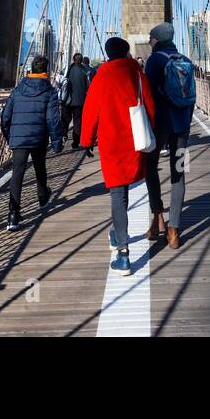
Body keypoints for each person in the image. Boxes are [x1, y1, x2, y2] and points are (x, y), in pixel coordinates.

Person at [81, 36, 155, 276]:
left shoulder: (101, 76)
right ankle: (117, 234)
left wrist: (86, 140)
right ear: (126, 52)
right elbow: (150, 107)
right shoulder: (137, 73)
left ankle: (123, 253)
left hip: (111, 141)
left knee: (117, 193)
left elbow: (91, 110)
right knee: (122, 191)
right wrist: (151, 131)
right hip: (134, 140)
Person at [143, 21, 196, 248]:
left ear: (157, 40)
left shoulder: (154, 61)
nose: (149, 41)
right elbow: (191, 97)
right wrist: (186, 122)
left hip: (159, 127)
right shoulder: (186, 60)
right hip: (182, 127)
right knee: (180, 173)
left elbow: (146, 95)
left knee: (149, 167)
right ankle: (174, 230)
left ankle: (158, 218)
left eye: (151, 38)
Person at [1, 55, 62, 231]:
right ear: (46, 72)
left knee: (17, 174)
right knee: (39, 167)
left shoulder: (18, 90)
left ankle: (13, 214)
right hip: (38, 137)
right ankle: (43, 197)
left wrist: (10, 136)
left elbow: (5, 117)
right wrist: (57, 141)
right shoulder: (50, 92)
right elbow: (53, 119)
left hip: (19, 138)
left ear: (31, 70)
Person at [61, 51, 91, 153]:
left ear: (73, 60)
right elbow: (88, 86)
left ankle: (63, 136)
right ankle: (75, 143)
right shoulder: (84, 72)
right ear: (81, 61)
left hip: (67, 101)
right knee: (77, 123)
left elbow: (61, 82)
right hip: (79, 102)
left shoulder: (67, 70)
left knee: (65, 120)